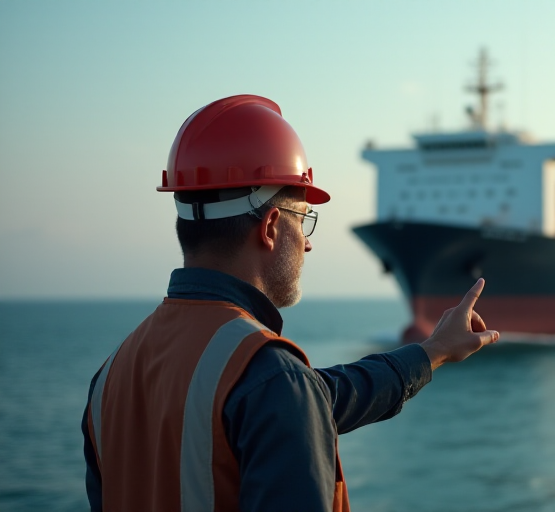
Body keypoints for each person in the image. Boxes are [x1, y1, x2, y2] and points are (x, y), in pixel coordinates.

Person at [81, 94, 499, 512]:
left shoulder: (110, 379)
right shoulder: (268, 376)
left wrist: (432, 352)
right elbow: (290, 397)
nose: (309, 243)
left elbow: (319, 396)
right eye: (304, 220)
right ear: (271, 227)